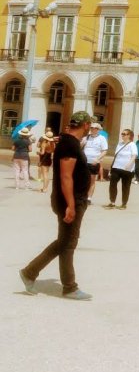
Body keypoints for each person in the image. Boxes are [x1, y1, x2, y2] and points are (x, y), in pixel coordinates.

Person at [19, 111, 93, 300]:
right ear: (85, 125)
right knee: (67, 243)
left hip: (74, 199)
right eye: (89, 126)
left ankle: (30, 273)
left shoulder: (68, 142)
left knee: (66, 242)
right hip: (70, 199)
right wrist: (71, 205)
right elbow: (65, 176)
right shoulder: (69, 143)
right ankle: (67, 286)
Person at [105, 129, 137, 209]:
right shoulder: (119, 144)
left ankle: (124, 204)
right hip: (116, 167)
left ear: (129, 135)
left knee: (125, 187)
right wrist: (111, 167)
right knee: (112, 185)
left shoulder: (132, 145)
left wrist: (128, 165)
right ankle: (112, 202)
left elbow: (134, 156)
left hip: (127, 169)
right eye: (122, 134)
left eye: (124, 134)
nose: (122, 135)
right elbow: (116, 156)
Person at [82, 121, 108, 204]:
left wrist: (97, 159)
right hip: (84, 162)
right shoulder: (86, 137)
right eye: (92, 128)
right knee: (83, 180)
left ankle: (89, 198)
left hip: (94, 162)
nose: (93, 129)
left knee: (92, 180)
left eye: (95, 128)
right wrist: (82, 143)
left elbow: (104, 151)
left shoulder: (102, 138)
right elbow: (79, 147)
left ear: (99, 130)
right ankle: (83, 196)